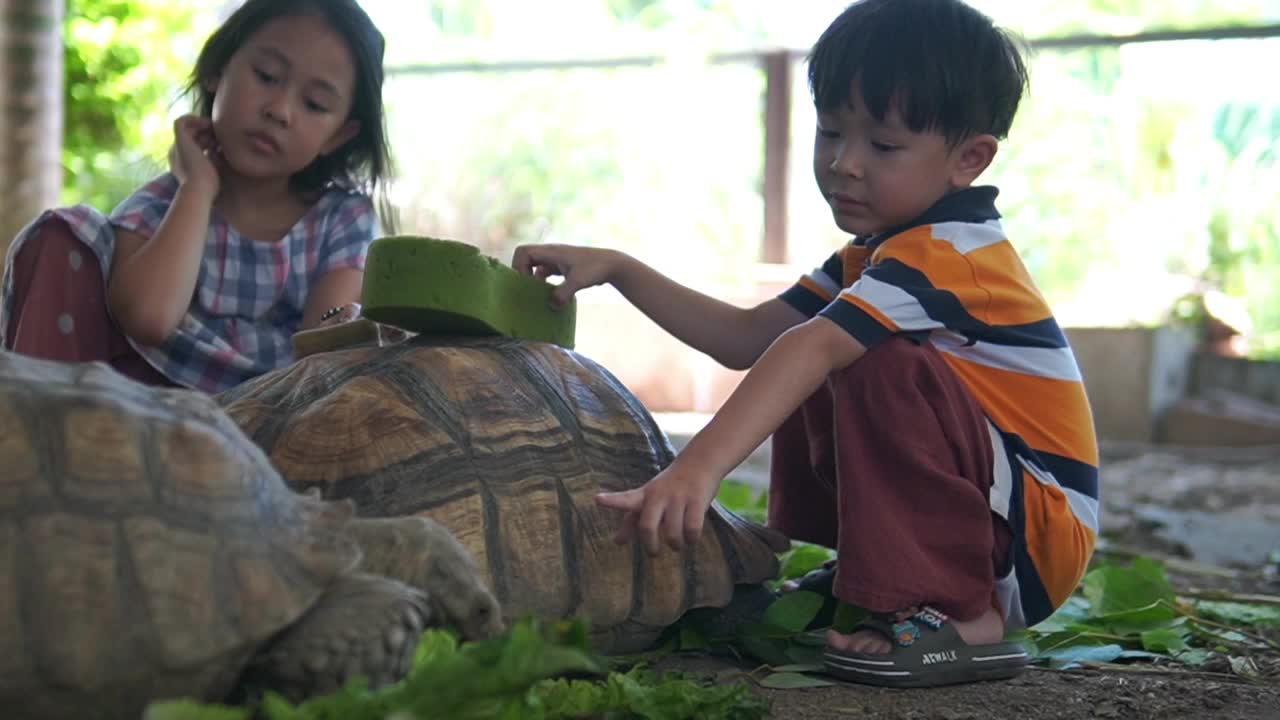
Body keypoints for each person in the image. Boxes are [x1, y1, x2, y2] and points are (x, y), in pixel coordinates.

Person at [513, 0, 1098, 688]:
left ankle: (966, 616)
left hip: (1032, 544)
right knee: (810, 344)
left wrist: (696, 468)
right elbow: (746, 338)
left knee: (859, 356)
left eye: (882, 145)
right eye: (830, 132)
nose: (844, 164)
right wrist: (621, 269)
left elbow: (807, 349)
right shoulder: (875, 257)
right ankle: (881, 576)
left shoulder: (952, 257)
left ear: (969, 158)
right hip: (995, 518)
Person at [1, 0, 392, 394]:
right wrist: (197, 189)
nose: (280, 110)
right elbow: (149, 319)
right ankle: (39, 432)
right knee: (61, 233)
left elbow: (320, 350)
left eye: (314, 104)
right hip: (138, 412)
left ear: (339, 136)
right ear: (215, 70)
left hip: (275, 416)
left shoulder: (343, 218)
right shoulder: (163, 205)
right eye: (267, 76)